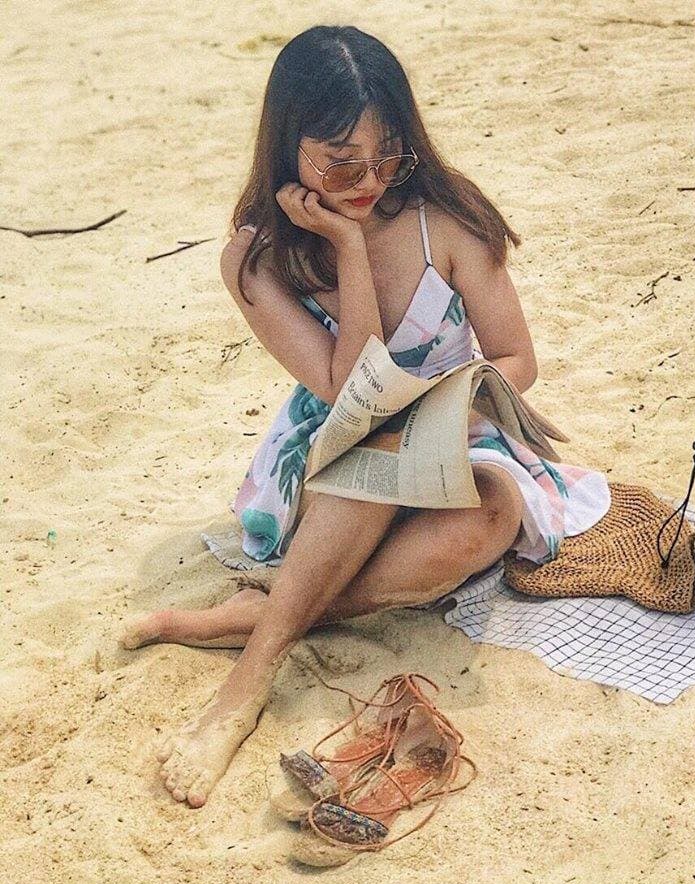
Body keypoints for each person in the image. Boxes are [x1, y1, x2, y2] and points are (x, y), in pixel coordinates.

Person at [123, 25, 611, 808]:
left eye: (389, 157)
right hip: (337, 454)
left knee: (492, 515)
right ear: (288, 144)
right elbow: (346, 387)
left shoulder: (443, 221)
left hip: (458, 436)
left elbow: (515, 357)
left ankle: (255, 614)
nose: (370, 180)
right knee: (380, 450)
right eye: (341, 162)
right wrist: (348, 249)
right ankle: (245, 686)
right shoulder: (256, 257)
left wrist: (457, 404)